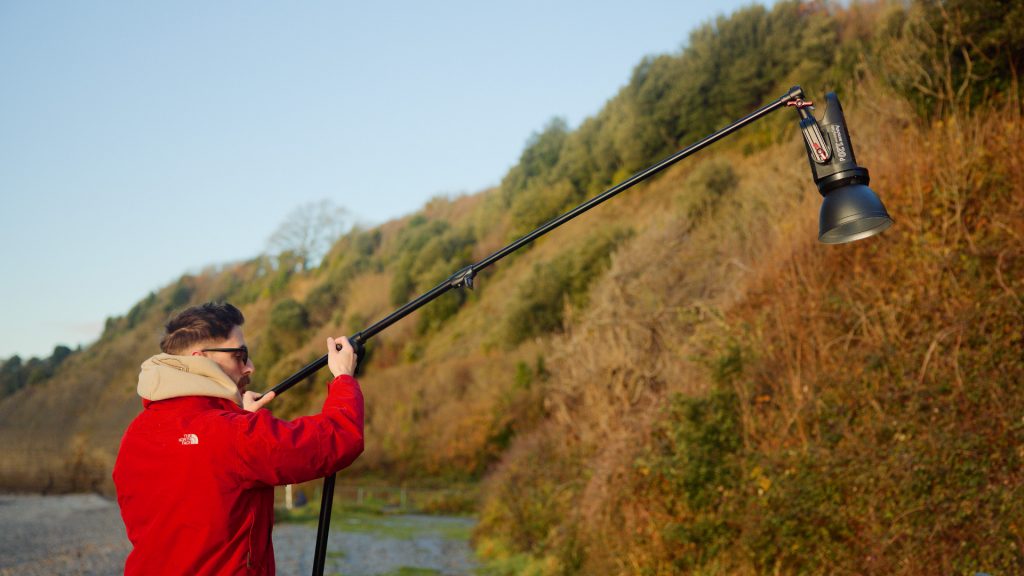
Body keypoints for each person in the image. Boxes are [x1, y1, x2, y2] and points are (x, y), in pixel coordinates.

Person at [113, 302, 364, 575]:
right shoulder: (232, 435)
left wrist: (237, 415)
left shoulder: (134, 435)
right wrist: (343, 378)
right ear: (200, 359)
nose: (250, 367)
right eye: (240, 355)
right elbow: (335, 441)